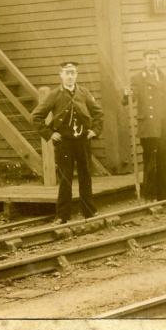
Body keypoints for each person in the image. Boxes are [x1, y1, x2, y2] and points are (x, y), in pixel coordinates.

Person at [31, 61, 103, 223]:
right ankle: (62, 215)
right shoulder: (55, 95)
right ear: (61, 75)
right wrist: (50, 134)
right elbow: (36, 117)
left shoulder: (84, 93)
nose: (70, 76)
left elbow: (98, 113)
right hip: (64, 143)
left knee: (85, 176)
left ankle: (89, 212)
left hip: (83, 141)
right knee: (65, 178)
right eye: (67, 73)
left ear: (76, 75)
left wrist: (95, 131)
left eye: (73, 73)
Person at [124, 49, 166, 202]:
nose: (153, 62)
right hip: (148, 126)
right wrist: (127, 94)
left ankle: (163, 193)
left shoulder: (163, 77)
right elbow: (130, 98)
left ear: (159, 60)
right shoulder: (137, 78)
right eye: (150, 59)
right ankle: (149, 194)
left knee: (163, 158)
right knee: (150, 161)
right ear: (144, 60)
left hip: (163, 124)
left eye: (155, 58)